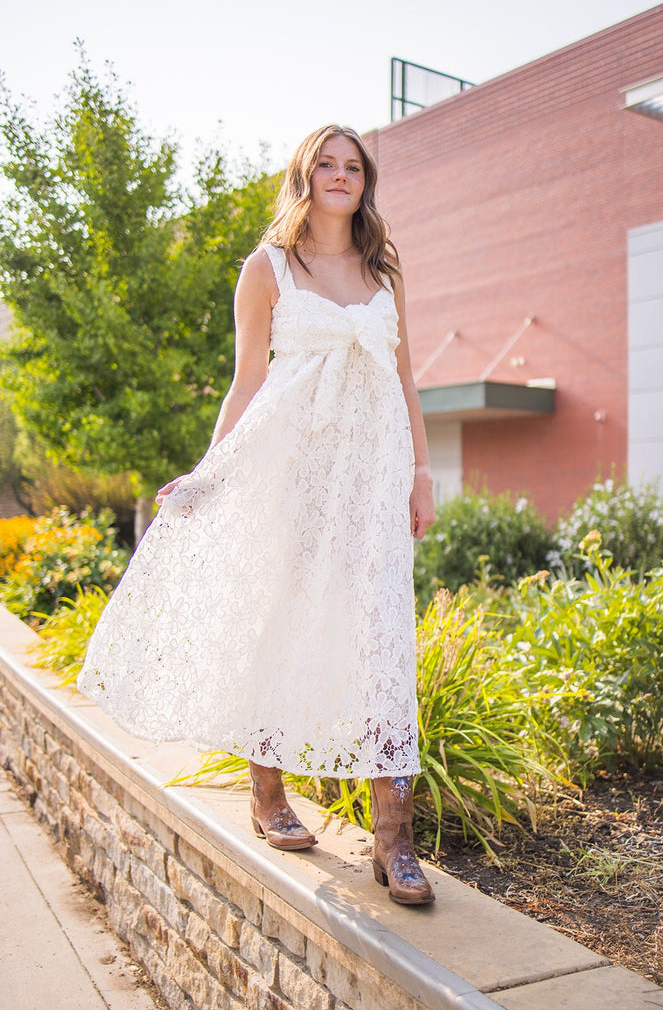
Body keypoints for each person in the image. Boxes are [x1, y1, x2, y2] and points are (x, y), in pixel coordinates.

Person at [78, 124, 437, 906]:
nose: (340, 176)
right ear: (304, 177)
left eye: (352, 167)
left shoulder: (384, 264)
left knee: (379, 636)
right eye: (326, 165)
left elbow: (404, 377)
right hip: (289, 472)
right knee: (275, 621)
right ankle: (268, 794)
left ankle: (393, 837)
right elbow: (245, 384)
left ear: (363, 182)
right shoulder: (266, 266)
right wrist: (210, 474)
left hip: (370, 479)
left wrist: (418, 471)